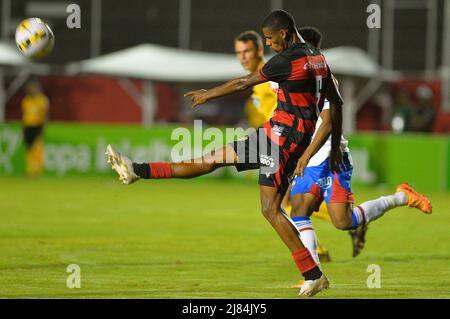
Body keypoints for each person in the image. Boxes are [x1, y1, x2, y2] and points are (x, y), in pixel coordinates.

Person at [106, 10, 344, 297]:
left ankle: (313, 274)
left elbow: (244, 82)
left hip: (283, 141)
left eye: (269, 39)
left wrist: (208, 94)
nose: (268, 45)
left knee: (270, 209)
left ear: (284, 33)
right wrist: (319, 151)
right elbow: (336, 106)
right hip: (273, 134)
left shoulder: (287, 60)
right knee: (211, 160)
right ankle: (137, 170)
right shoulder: (319, 59)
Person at [288, 27, 433, 277]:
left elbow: (329, 122)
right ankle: (313, 277)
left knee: (343, 222)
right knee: (298, 210)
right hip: (310, 160)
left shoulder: (325, 80)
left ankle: (401, 197)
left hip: (330, 158)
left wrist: (305, 154)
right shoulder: (294, 78)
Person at [235, 29, 332, 262]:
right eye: (239, 52)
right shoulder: (260, 81)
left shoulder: (270, 76)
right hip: (275, 141)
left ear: (259, 51)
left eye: (247, 51)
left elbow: (290, 97)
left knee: (282, 205)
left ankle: (317, 251)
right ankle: (338, 229)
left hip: (285, 143)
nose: (242, 57)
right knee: (290, 203)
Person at [21, 79, 49, 177]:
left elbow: (45, 115)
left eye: (34, 87)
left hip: (37, 126)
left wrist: (43, 127)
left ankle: (37, 170)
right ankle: (29, 170)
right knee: (29, 149)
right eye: (30, 88)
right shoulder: (26, 100)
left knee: (37, 149)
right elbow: (24, 115)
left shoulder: (42, 100)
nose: (32, 89)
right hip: (28, 126)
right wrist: (23, 128)